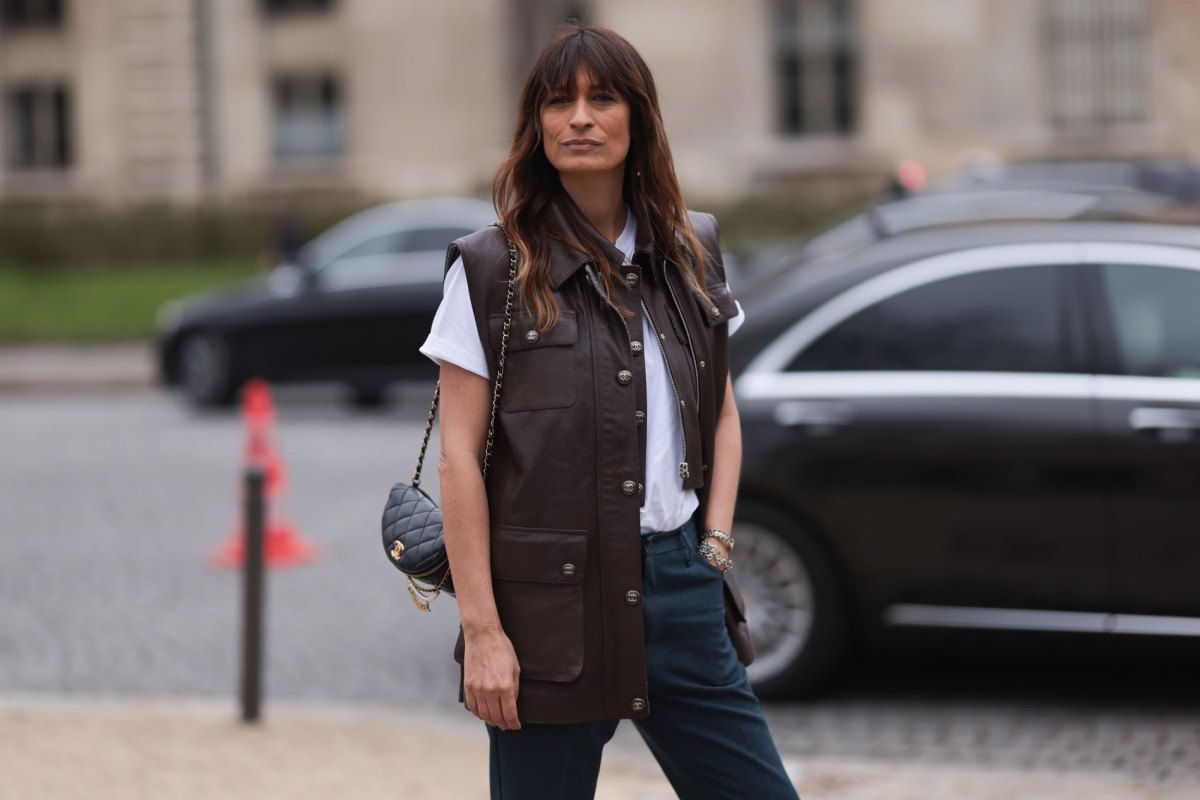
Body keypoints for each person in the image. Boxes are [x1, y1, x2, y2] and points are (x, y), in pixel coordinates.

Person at [419, 21, 800, 800]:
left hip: (680, 590)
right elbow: (458, 455)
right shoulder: (491, 270)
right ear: (537, 126)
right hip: (546, 612)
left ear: (639, 118)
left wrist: (715, 548)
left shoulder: (693, 253)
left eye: (602, 99)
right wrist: (483, 631)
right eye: (559, 102)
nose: (580, 118)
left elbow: (721, 417)